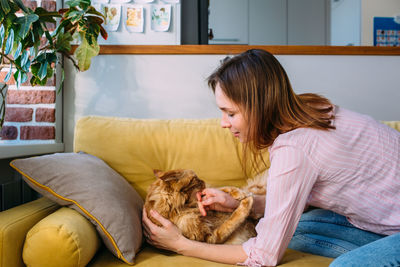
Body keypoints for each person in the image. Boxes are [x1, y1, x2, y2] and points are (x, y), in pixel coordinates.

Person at [142, 49, 400, 266]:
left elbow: (263, 257)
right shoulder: (311, 108)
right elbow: (291, 200)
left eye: (230, 113)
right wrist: (237, 205)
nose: (223, 123)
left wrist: (180, 244)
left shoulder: (294, 149)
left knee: (346, 265)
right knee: (294, 227)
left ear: (259, 106)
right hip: (384, 216)